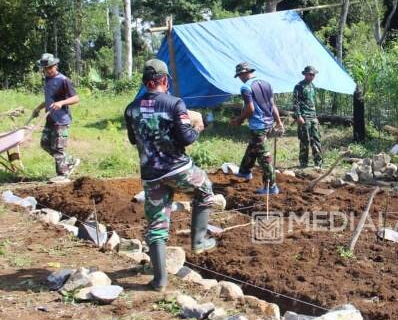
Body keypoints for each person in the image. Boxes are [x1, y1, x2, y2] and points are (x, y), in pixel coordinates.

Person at [124, 59, 217, 291]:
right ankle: (199, 241)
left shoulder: (131, 108)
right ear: (165, 80)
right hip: (177, 169)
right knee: (205, 189)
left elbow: (133, 139)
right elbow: (185, 138)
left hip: (151, 175)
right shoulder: (175, 103)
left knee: (156, 225)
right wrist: (197, 128)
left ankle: (159, 281)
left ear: (146, 82)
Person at [230, 62, 284, 194]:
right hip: (268, 122)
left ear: (243, 73)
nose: (240, 78)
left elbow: (250, 109)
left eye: (240, 75)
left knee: (264, 156)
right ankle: (244, 171)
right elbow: (272, 105)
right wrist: (278, 121)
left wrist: (238, 120)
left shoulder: (245, 88)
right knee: (253, 147)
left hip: (258, 125)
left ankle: (271, 186)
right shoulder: (266, 83)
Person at [32, 53, 80, 178]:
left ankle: (62, 175)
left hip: (61, 119)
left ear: (55, 65)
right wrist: (38, 107)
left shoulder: (64, 80)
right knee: (45, 144)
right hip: (50, 118)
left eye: (49, 68)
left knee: (58, 149)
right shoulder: (47, 80)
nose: (47, 71)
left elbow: (76, 98)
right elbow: (50, 99)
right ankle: (70, 161)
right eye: (45, 69)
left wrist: (62, 102)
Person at [293, 66, 322, 168]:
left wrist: (316, 116)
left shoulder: (313, 86)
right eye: (310, 74)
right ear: (305, 74)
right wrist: (298, 116)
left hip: (313, 116)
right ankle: (303, 163)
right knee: (305, 140)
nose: (312, 76)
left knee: (316, 139)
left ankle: (318, 163)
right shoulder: (299, 86)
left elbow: (313, 103)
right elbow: (295, 103)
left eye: (313, 74)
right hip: (304, 117)